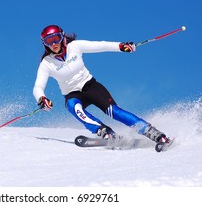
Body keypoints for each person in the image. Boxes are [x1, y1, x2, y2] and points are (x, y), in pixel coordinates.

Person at [33, 24, 170, 144]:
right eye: (48, 41)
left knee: (114, 112)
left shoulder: (75, 46)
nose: (53, 44)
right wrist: (41, 98)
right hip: (72, 94)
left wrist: (121, 46)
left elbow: (101, 45)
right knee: (72, 107)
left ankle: (152, 132)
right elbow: (38, 86)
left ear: (62, 37)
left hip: (91, 86)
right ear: (44, 44)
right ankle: (104, 131)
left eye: (55, 39)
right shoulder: (47, 63)